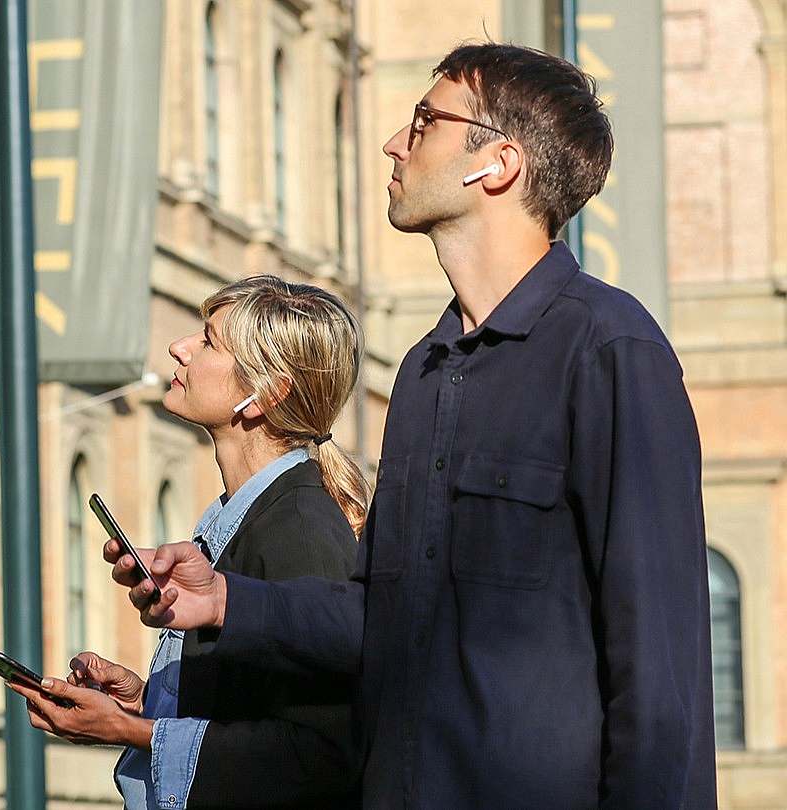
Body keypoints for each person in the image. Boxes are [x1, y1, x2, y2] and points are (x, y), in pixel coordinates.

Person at [106, 43, 718, 809]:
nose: (395, 142)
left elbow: (661, 672)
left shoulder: (609, 352)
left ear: (496, 164)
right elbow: (380, 615)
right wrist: (224, 599)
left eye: (425, 121)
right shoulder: (426, 369)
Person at [7, 275, 368, 809]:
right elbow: (245, 710)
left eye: (208, 341)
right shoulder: (241, 517)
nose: (179, 348)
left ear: (264, 393)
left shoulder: (300, 528)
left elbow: (323, 754)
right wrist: (139, 706)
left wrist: (135, 733)